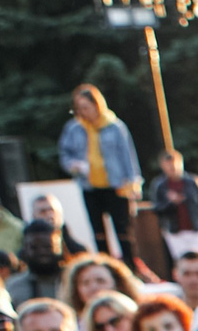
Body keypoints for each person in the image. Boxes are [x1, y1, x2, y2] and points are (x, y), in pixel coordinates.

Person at [56, 85, 140, 259]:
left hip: (116, 185)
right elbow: (64, 154)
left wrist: (133, 182)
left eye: (85, 107)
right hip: (89, 186)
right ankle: (105, 264)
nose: (82, 112)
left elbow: (127, 155)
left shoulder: (115, 127)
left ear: (97, 105)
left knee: (123, 230)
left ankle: (130, 264)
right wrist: (74, 165)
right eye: (79, 108)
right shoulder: (73, 128)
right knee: (98, 232)